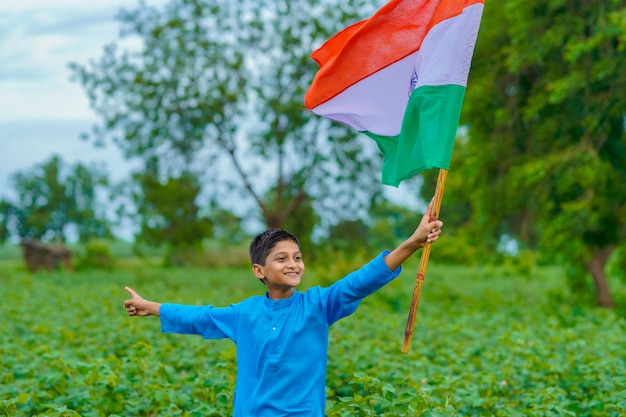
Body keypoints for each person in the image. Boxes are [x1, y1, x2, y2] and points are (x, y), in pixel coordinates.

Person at [123, 200, 443, 416]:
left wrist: (412, 243)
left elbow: (360, 281)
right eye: (281, 258)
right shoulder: (244, 314)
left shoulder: (318, 306)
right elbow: (200, 317)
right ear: (259, 270)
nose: (293, 264)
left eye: (297, 257)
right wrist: (150, 306)